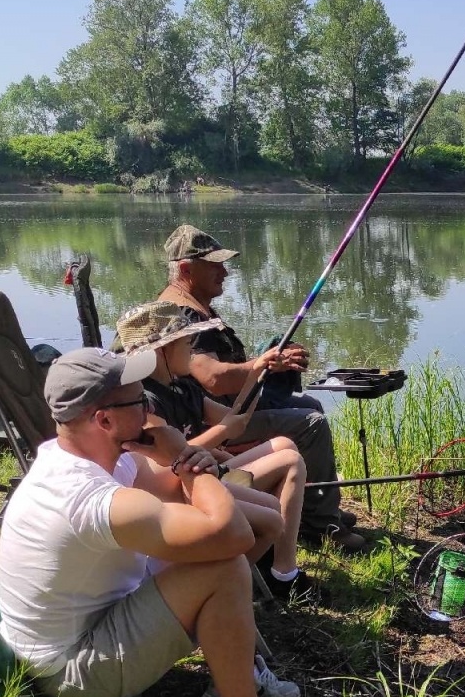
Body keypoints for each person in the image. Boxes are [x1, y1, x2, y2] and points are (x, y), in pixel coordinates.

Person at [0, 347, 316, 697]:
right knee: (224, 567)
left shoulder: (94, 455)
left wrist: (182, 463)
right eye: (138, 401)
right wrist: (186, 460)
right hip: (72, 669)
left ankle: (231, 666)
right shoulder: (86, 496)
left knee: (262, 519)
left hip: (98, 618)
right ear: (103, 419)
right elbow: (229, 535)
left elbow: (226, 513)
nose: (150, 408)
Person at [114, 301, 347, 592]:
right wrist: (221, 434)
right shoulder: (144, 400)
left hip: (203, 471)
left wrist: (257, 373)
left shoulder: (183, 387)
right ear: (163, 350)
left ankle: (273, 558)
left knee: (284, 445)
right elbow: (165, 459)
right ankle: (283, 574)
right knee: (290, 462)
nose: (192, 348)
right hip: (179, 487)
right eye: (187, 342)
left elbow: (235, 419)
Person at [155, 224, 361, 547]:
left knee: (311, 406)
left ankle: (317, 505)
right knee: (312, 424)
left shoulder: (196, 303)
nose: (224, 271)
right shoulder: (182, 314)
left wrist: (269, 364)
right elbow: (213, 377)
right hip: (213, 420)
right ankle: (321, 526)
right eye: (215, 265)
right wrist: (261, 365)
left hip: (235, 408)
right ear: (185, 269)